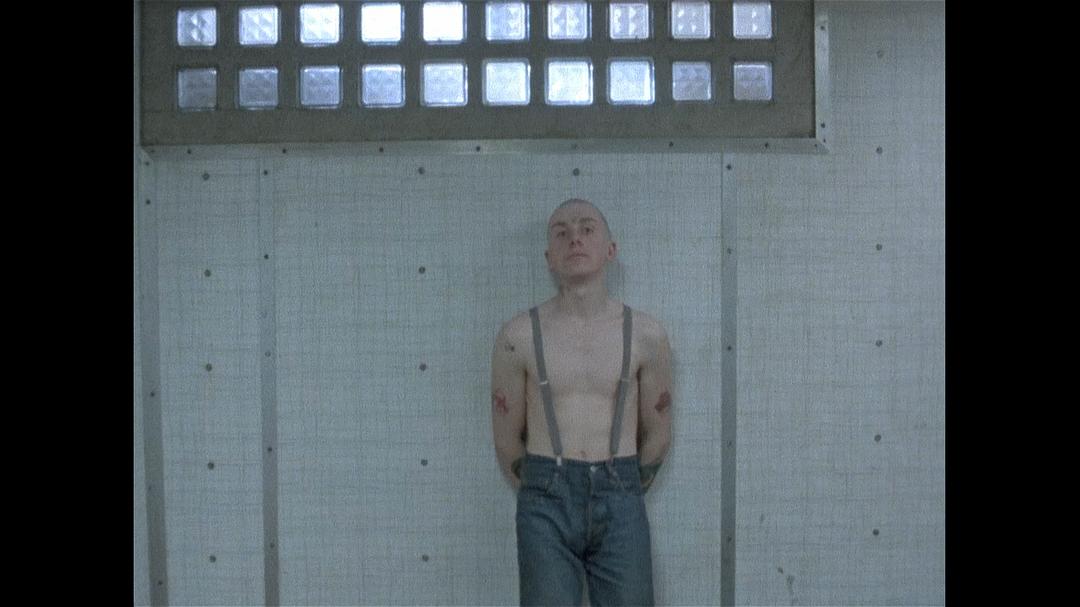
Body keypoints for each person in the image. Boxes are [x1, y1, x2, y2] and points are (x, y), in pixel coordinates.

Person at [491, 198, 673, 606]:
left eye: (587, 229)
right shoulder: (517, 336)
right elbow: (506, 439)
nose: (574, 238)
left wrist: (622, 488)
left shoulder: (646, 335)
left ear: (610, 249)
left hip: (620, 491)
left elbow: (659, 432)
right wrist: (546, 486)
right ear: (548, 258)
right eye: (561, 232)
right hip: (545, 499)